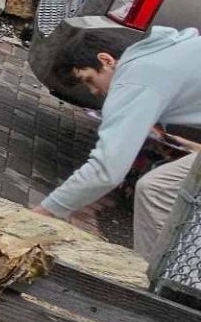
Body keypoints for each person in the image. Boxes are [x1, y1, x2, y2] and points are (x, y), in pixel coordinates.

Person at [34, 23, 201, 261]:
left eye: (90, 80)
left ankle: (163, 288)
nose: (94, 91)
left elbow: (106, 170)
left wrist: (44, 213)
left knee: (158, 190)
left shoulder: (135, 77)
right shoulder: (164, 52)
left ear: (106, 60)